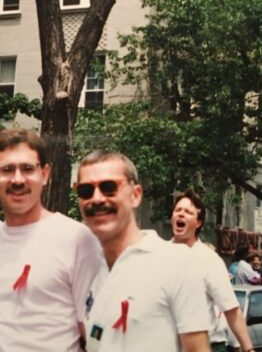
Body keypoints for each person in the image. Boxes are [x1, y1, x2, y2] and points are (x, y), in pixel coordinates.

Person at [0, 128, 100, 351]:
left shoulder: (76, 239)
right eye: (7, 169)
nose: (17, 179)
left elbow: (93, 333)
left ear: (44, 174)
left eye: (27, 169)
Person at [76, 150, 210, 351]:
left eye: (109, 188)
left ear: (136, 195)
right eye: (86, 191)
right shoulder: (83, 267)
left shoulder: (176, 262)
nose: (96, 199)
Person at [171, 189, 255, 352]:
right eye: (177, 210)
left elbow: (230, 308)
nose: (180, 214)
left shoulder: (209, 260)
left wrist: (248, 348)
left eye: (187, 212)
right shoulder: (160, 254)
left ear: (198, 222)